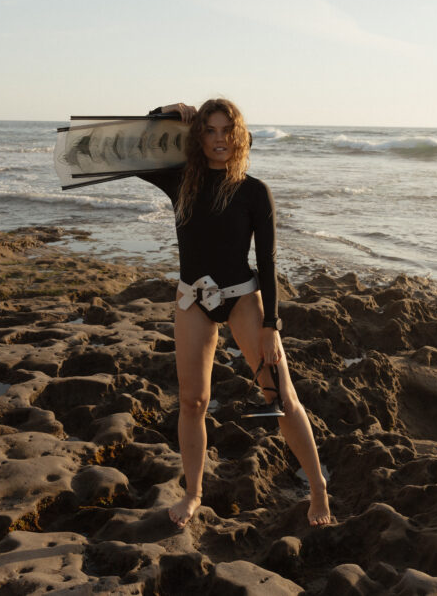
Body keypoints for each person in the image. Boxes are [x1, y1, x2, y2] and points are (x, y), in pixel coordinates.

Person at [139, 99, 333, 528]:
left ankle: (318, 489)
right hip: (192, 298)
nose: (219, 139)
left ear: (240, 135)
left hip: (242, 298)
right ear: (198, 136)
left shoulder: (253, 191)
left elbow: (268, 262)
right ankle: (192, 494)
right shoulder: (180, 182)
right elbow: (138, 147)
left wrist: (271, 328)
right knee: (192, 401)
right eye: (209, 130)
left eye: (227, 130)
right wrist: (164, 112)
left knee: (280, 399)